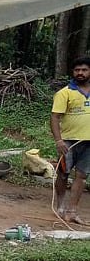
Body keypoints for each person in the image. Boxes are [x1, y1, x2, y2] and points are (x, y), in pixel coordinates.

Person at [51, 57, 90, 225]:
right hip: (68, 142)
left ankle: (72, 211)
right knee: (63, 173)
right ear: (72, 72)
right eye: (77, 70)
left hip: (88, 143)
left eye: (84, 70)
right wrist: (58, 140)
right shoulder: (64, 93)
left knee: (81, 175)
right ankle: (60, 206)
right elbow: (55, 117)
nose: (80, 73)